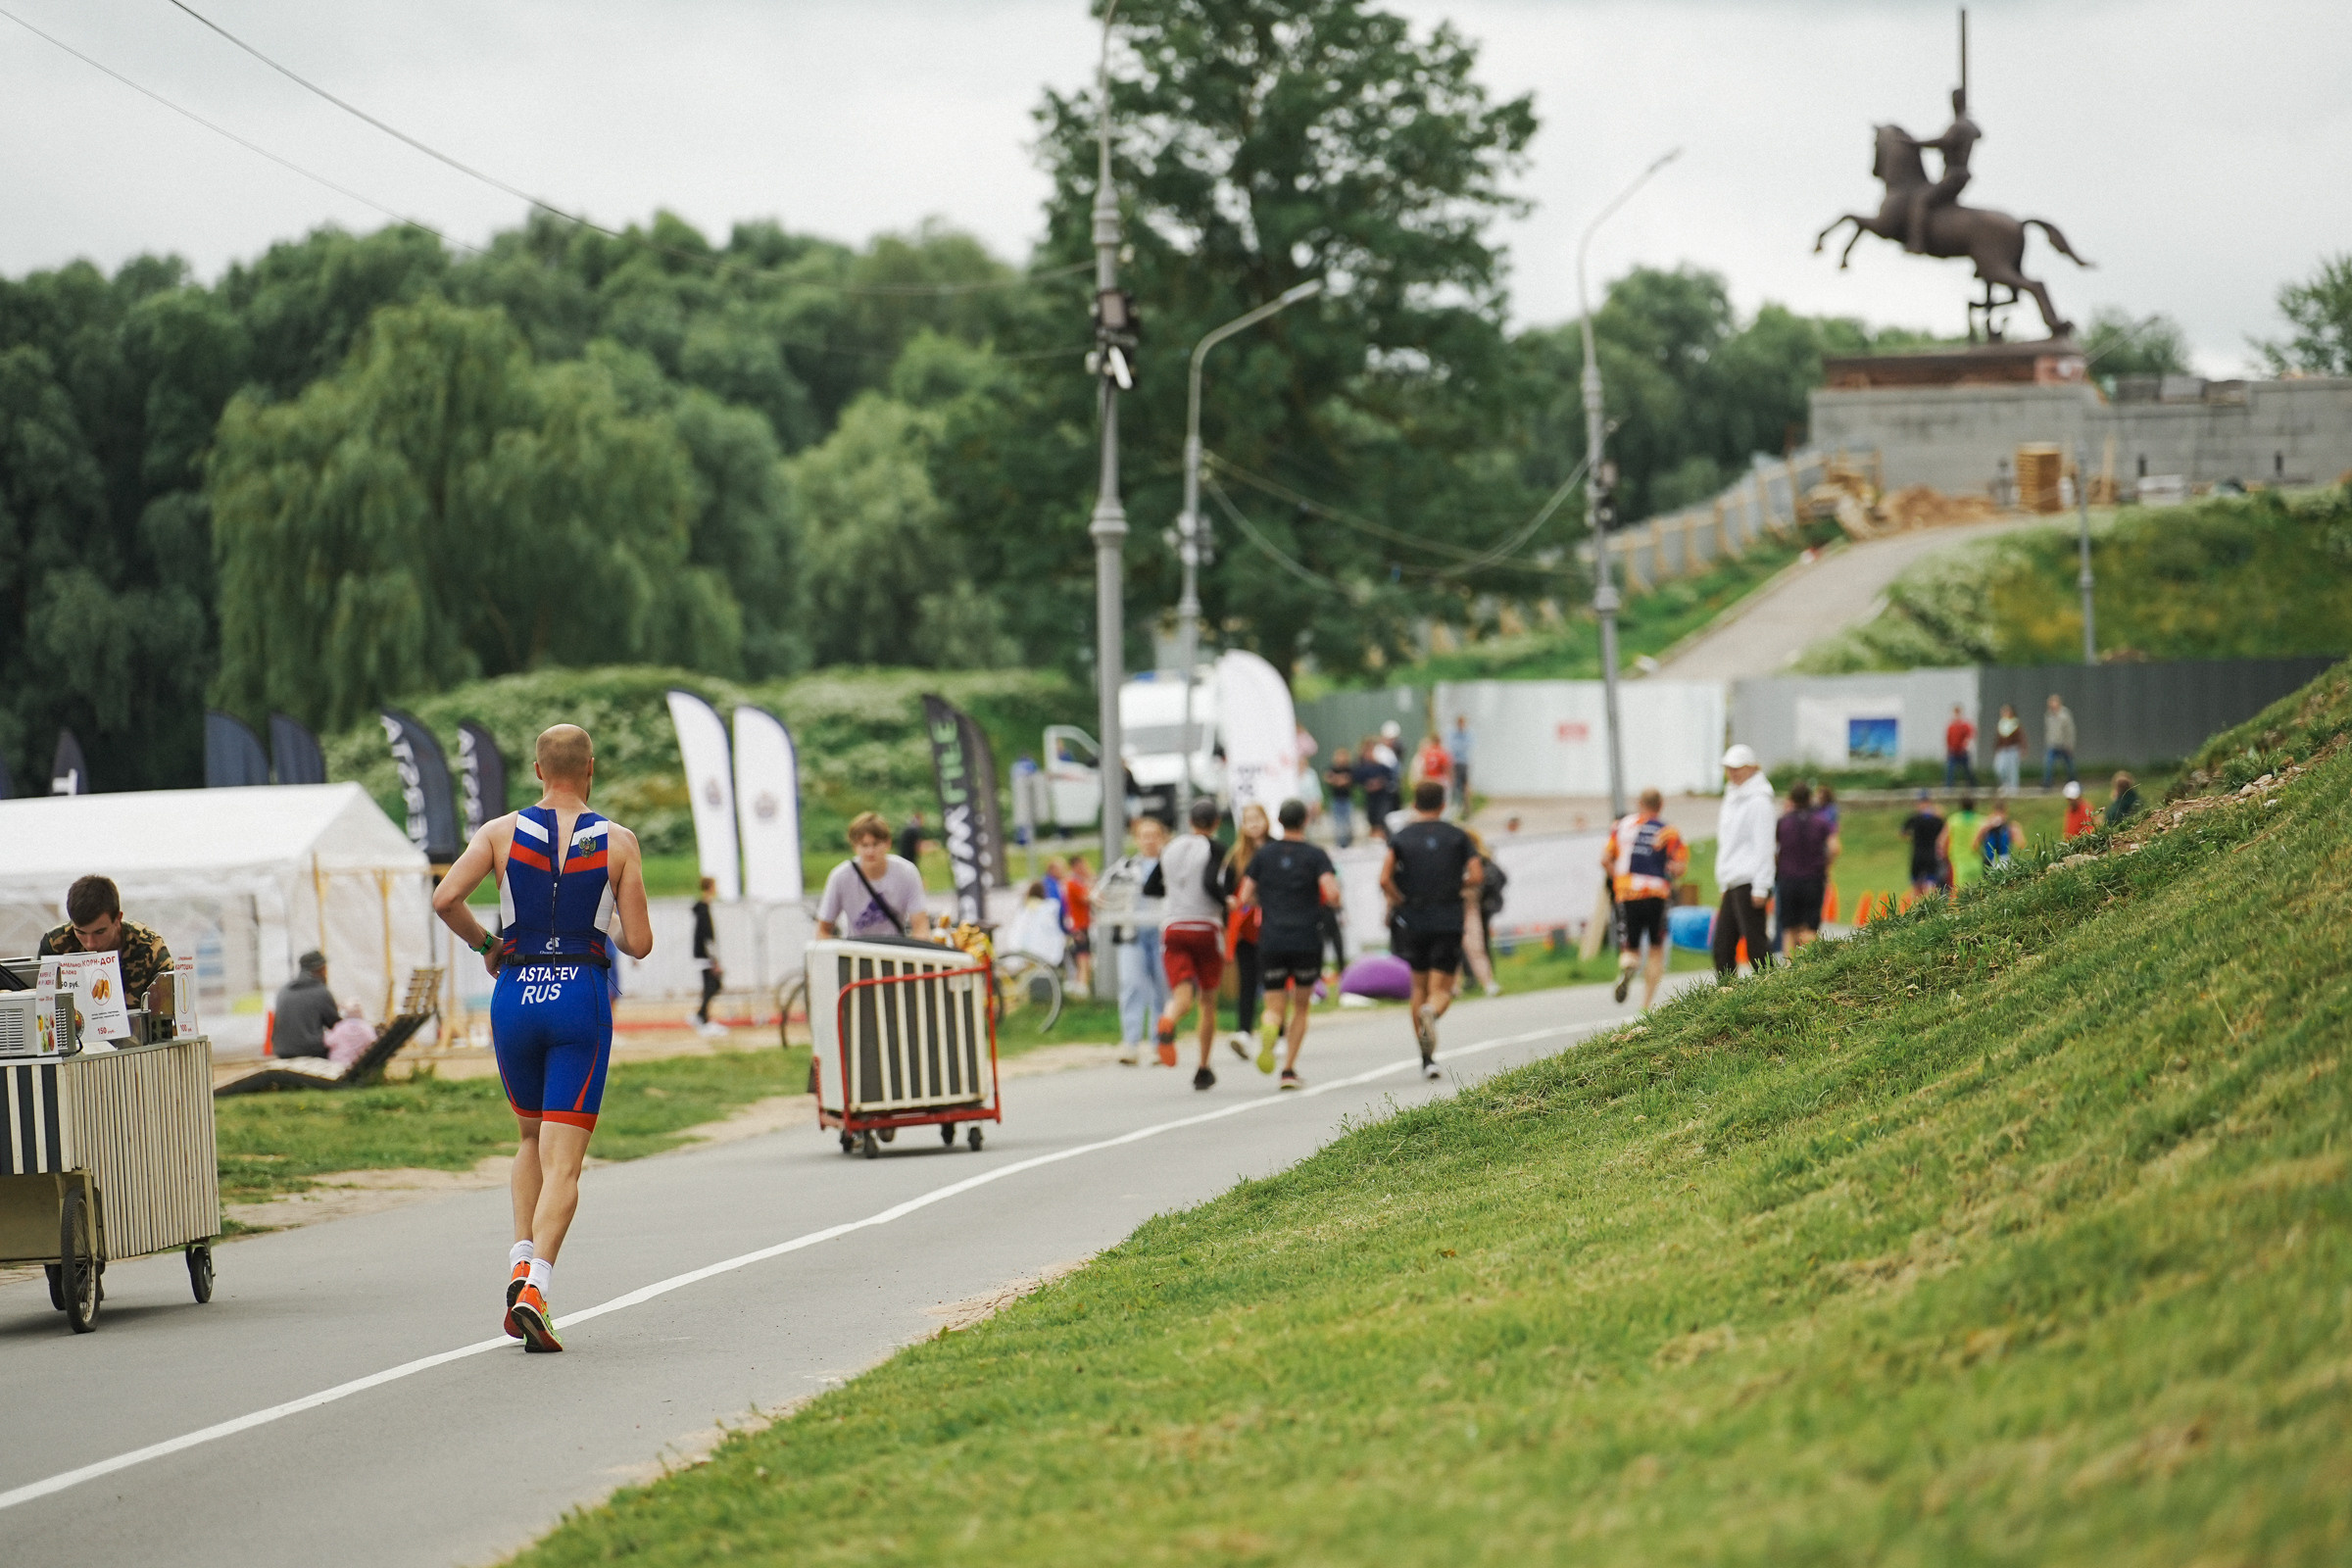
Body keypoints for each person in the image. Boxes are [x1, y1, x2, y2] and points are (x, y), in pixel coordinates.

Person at [431, 723, 655, 1354]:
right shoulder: (617, 841)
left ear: (537, 770)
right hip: (579, 997)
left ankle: (518, 1260)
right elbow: (638, 943)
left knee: (529, 1137)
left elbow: (446, 898)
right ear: (592, 768)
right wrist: (607, 906)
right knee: (566, 1159)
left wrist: (488, 944)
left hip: (516, 993)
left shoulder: (499, 832)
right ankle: (536, 1286)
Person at [1382, 781, 1482, 1080]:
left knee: (1419, 986)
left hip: (1412, 920)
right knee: (1442, 989)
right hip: (1448, 917)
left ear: (1415, 803)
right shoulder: (1458, 836)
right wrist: (1454, 885)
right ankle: (1432, 1012)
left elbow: (1384, 878)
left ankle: (1427, 1059)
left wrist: (1401, 899)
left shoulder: (1400, 838)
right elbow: (1476, 874)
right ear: (1442, 804)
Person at [1238, 799, 1341, 1088]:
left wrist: (1268, 897)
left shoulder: (1264, 855)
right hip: (1306, 939)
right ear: (1305, 822)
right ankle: (1288, 1070)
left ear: (1279, 822)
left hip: (1271, 939)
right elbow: (1331, 893)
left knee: (1274, 1003)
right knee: (1302, 1006)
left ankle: (1270, 1024)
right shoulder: (1316, 855)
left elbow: (1244, 897)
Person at [1151, 798, 1233, 1088]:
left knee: (1181, 996)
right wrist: (1227, 902)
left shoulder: (1170, 848)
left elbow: (1151, 886)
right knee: (1208, 1001)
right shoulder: (1216, 848)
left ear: (1190, 822)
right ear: (1216, 823)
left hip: (1173, 927)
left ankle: (1169, 1019)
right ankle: (1203, 1067)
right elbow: (1212, 883)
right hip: (1205, 927)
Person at [38, 874, 175, 1014]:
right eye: (81, 933)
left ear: (118, 919)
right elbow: (40, 1008)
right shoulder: (55, 945)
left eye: (99, 932)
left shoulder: (148, 947)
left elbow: (174, 1008)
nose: (90, 944)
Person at [1603, 789, 1688, 1010]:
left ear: (1639, 803)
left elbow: (1605, 859)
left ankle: (1628, 967)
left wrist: (1618, 879)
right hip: (1656, 893)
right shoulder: (1668, 832)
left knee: (1630, 948)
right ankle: (1646, 1005)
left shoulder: (1620, 826)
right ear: (1661, 805)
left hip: (1627, 892)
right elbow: (1679, 867)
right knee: (1656, 948)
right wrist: (1670, 870)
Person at [1105, 817, 1169, 1065]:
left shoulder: (1169, 865)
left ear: (1162, 837)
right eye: (1144, 835)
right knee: (1132, 984)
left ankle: (1158, 1042)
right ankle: (1130, 1043)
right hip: (1133, 933)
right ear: (1137, 839)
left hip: (1162, 932)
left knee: (1161, 987)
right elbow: (1101, 892)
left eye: (1154, 834)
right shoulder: (1126, 866)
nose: (1149, 840)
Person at [815, 811, 932, 942]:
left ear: (888, 843)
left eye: (875, 844)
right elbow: (823, 930)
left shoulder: (907, 872)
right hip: (856, 949)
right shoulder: (840, 877)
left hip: (895, 948)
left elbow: (921, 925)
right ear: (855, 847)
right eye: (864, 845)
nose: (870, 851)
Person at [1711, 746, 1776, 980]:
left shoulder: (1759, 801)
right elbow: (1728, 844)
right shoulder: (1733, 797)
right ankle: (1727, 993)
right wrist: (1724, 881)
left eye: (1737, 768)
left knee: (1756, 945)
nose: (1733, 773)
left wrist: (1762, 886)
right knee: (1722, 946)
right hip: (1733, 880)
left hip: (1750, 881)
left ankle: (1773, 989)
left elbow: (1764, 845)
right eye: (1729, 768)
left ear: (1751, 768)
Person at [1903, 86, 1981, 255]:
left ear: (1960, 102)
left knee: (1920, 199)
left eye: (1955, 101)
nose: (1953, 104)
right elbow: (1979, 134)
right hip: (1958, 175)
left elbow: (1942, 142)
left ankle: (1917, 243)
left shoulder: (1959, 126)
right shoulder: (1969, 125)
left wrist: (1915, 144)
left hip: (1954, 175)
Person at [1221, 804, 1271, 1064]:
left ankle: (1278, 1032)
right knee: (1248, 980)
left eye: (1257, 818)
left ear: (1266, 820)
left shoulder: (1275, 849)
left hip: (1272, 925)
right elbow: (1228, 891)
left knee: (1273, 982)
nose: (1253, 824)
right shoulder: (1236, 856)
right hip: (1246, 927)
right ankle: (1244, 1032)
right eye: (1248, 819)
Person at [1774, 781, 1838, 953]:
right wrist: (1826, 866)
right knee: (1810, 928)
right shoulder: (1821, 822)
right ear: (1810, 799)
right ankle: (1808, 969)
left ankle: (1789, 970)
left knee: (1789, 928)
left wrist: (1778, 865)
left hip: (1788, 879)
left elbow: (1772, 849)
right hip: (1813, 879)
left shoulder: (1782, 822)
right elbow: (1834, 848)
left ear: (1791, 799)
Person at [271, 950, 342, 1059]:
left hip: (282, 1051)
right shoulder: (321, 991)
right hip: (311, 1052)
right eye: (325, 970)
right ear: (320, 969)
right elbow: (336, 1026)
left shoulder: (284, 990)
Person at [1460, 826, 1503, 999]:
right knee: (1449, 949)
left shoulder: (1480, 858)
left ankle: (1488, 982)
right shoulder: (1447, 858)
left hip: (1472, 906)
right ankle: (1452, 987)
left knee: (1477, 945)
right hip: (1451, 906)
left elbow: (1483, 879)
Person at [689, 876, 723, 1037]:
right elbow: (707, 936)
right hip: (705, 955)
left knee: (711, 985)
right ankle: (702, 1017)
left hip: (702, 953)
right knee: (712, 985)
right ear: (710, 887)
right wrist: (714, 960)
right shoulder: (704, 909)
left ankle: (702, 1015)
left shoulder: (703, 908)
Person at [1900, 789, 1947, 897]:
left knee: (1916, 885)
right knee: (1931, 885)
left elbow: (1902, 833)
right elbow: (1944, 834)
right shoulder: (1937, 819)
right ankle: (1931, 910)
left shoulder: (1914, 818)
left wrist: (1913, 839)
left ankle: (1917, 909)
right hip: (1931, 854)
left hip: (1918, 853)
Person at [1355, 733, 1399, 841]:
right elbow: (1357, 778)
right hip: (1371, 798)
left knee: (1382, 820)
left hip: (1383, 797)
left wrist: (1380, 782)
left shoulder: (1382, 765)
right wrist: (1368, 784)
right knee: (1372, 820)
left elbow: (1390, 776)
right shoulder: (1362, 766)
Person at [1940, 795, 1986, 895]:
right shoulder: (1980, 820)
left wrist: (1945, 855)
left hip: (1958, 861)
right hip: (1976, 859)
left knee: (1959, 892)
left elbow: (1941, 841)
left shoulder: (1954, 820)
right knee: (1978, 892)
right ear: (1974, 806)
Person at [1062, 855, 1095, 993]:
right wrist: (1090, 878)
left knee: (1083, 953)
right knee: (1083, 955)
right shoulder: (1073, 883)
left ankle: (1081, 983)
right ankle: (1082, 984)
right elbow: (1088, 897)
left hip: (1082, 923)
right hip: (1078, 924)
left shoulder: (1075, 882)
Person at [1323, 748, 1358, 849]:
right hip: (1336, 800)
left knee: (1348, 823)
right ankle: (1340, 844)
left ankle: (1348, 842)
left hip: (1347, 799)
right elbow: (1328, 778)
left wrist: (1337, 779)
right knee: (1338, 824)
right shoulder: (1332, 768)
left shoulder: (1349, 768)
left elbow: (1349, 779)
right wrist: (1340, 779)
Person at [2043, 695, 2079, 787]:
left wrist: (2070, 744)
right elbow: (2049, 730)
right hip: (2053, 744)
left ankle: (2073, 781)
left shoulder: (2065, 715)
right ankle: (2047, 783)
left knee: (2069, 765)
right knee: (2049, 763)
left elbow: (2070, 730)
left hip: (2064, 745)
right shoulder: (2048, 715)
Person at [1413, 732, 1453, 808]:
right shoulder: (1442, 753)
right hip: (1440, 779)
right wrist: (1449, 780)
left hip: (1430, 779)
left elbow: (1424, 768)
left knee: (1431, 803)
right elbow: (1446, 768)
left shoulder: (1427, 753)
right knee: (1443, 801)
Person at [1975, 800, 2016, 871]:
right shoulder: (2010, 825)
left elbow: (1974, 844)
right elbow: (2022, 843)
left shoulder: (1986, 824)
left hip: (1992, 860)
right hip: (2002, 860)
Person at [1992, 704, 2025, 795]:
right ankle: (2004, 784)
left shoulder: (2015, 724)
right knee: (1999, 768)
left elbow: (2021, 738)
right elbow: (1998, 738)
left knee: (2012, 770)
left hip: (2012, 749)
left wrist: (2022, 749)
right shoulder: (2001, 724)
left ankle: (2013, 788)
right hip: (2002, 750)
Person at [1944, 706, 1978, 788]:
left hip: (1962, 752)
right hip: (1953, 752)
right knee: (1950, 770)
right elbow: (1948, 739)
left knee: (1967, 770)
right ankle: (1949, 787)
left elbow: (1971, 734)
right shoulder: (1951, 726)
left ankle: (1972, 786)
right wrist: (1949, 749)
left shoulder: (1964, 725)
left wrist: (1967, 742)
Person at [1449, 715, 1475, 811]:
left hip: (1464, 762)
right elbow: (1452, 746)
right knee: (1454, 785)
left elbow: (1468, 746)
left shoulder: (1468, 733)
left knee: (1466, 785)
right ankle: (1455, 806)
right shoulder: (1453, 733)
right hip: (1455, 762)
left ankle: (1467, 808)